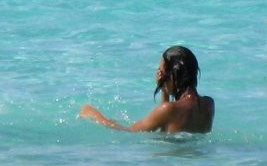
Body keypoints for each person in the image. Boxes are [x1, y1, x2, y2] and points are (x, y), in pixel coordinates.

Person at [79, 46, 214, 133]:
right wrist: (164, 91)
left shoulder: (169, 110)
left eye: (161, 72)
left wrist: (94, 115)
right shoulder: (209, 104)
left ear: (171, 76)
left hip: (169, 164)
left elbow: (128, 131)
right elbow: (168, 125)